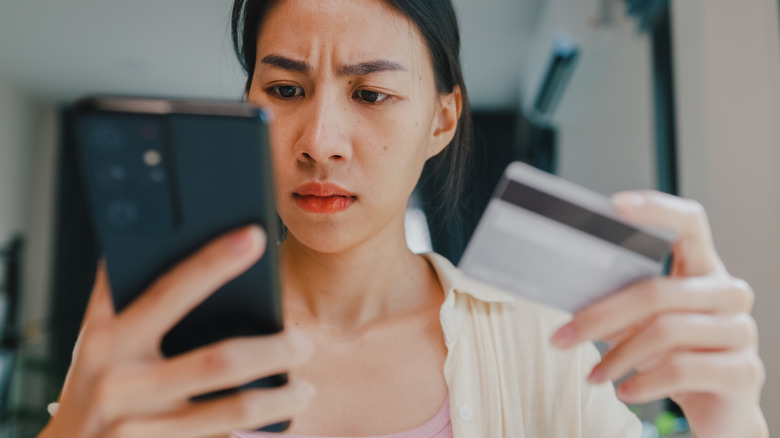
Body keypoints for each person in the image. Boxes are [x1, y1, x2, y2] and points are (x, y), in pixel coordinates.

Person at [38, 0, 767, 437]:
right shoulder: (155, 334)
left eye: (372, 95)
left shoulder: (542, 340)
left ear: (442, 119)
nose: (319, 140)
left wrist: (728, 418)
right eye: (286, 89)